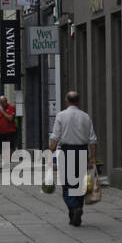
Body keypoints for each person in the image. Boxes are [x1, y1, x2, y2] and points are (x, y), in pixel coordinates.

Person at [49, 90, 98, 227]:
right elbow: (93, 139)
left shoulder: (61, 116)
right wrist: (93, 157)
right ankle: (76, 211)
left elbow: (55, 137)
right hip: (82, 151)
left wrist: (49, 153)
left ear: (66, 101)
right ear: (78, 101)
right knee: (79, 184)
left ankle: (74, 208)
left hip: (66, 151)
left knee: (67, 184)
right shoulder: (85, 117)